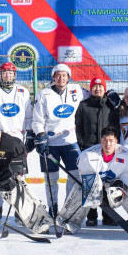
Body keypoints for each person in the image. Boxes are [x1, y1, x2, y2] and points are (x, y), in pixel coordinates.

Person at [57, 127, 128, 233]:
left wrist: (121, 186)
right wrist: (96, 191)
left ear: (116, 141)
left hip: (115, 186)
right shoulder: (87, 155)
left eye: (111, 140)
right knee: (79, 189)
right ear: (101, 141)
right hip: (95, 186)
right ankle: (68, 222)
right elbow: (85, 177)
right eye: (105, 140)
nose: (108, 144)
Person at [32, 63, 88, 216]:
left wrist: (108, 94)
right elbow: (37, 119)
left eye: (64, 75)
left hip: (70, 141)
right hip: (51, 142)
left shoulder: (76, 90)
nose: (61, 78)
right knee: (51, 178)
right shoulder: (44, 94)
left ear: (68, 77)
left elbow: (94, 95)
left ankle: (68, 206)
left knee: (75, 175)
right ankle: (53, 207)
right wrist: (41, 135)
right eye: (58, 75)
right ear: (53, 77)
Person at [0, 62, 34, 223]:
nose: (7, 75)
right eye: (4, 73)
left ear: (15, 75)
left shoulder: (23, 91)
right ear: (0, 74)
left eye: (10, 73)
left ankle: (19, 209)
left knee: (18, 177)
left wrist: (30, 135)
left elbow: (28, 116)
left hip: (18, 139)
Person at [75, 76, 120, 225]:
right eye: (95, 87)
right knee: (90, 182)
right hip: (89, 148)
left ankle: (107, 216)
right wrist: (82, 144)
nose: (98, 89)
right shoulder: (84, 105)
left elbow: (116, 126)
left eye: (101, 87)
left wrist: (113, 145)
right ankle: (92, 216)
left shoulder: (110, 105)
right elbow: (78, 126)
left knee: (107, 181)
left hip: (106, 149)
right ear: (91, 88)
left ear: (105, 89)